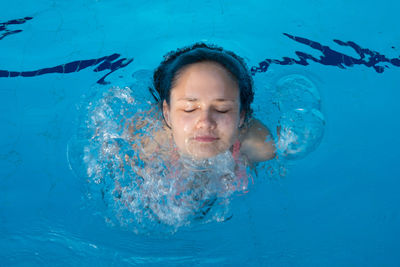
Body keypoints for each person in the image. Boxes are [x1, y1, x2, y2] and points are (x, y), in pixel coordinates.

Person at [131, 42, 276, 167]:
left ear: (241, 116)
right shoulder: (145, 144)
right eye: (190, 109)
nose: (205, 122)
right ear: (167, 114)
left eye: (222, 110)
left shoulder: (260, 146)